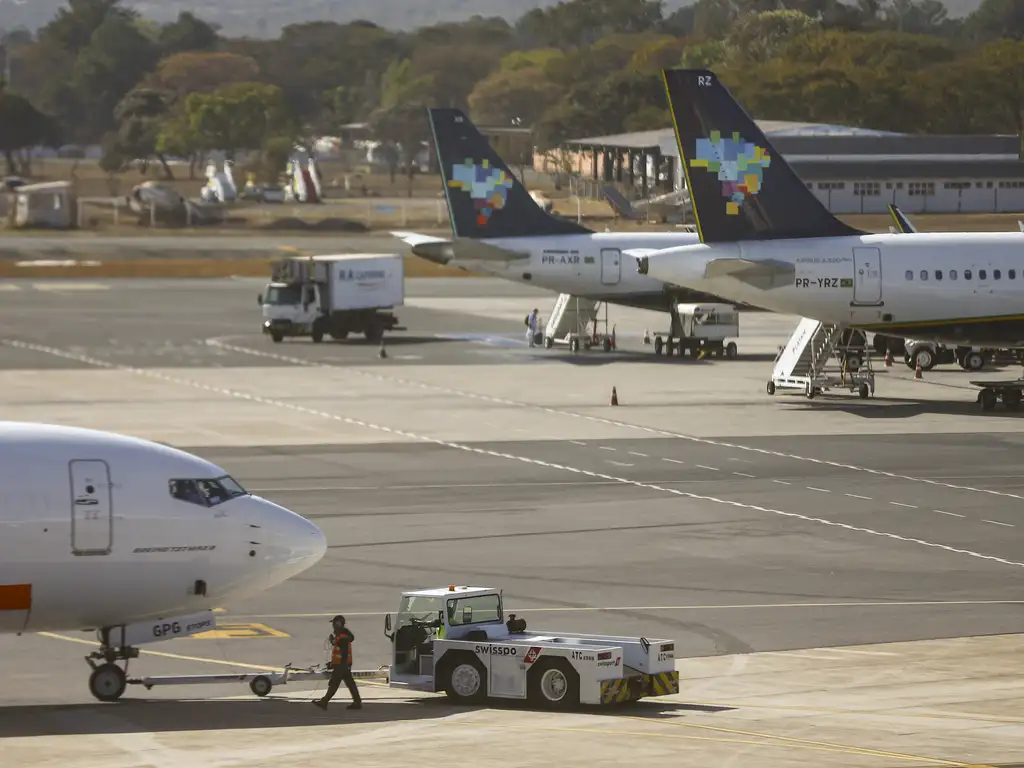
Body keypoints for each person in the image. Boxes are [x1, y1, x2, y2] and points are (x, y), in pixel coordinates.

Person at [313, 615, 362, 710]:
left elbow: (342, 653)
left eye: (334, 623)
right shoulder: (342, 636)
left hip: (341, 666)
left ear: (338, 624)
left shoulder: (342, 637)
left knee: (334, 684)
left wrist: (335, 664)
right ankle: (357, 702)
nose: (332, 625)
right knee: (350, 684)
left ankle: (324, 702)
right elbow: (339, 649)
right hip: (344, 665)